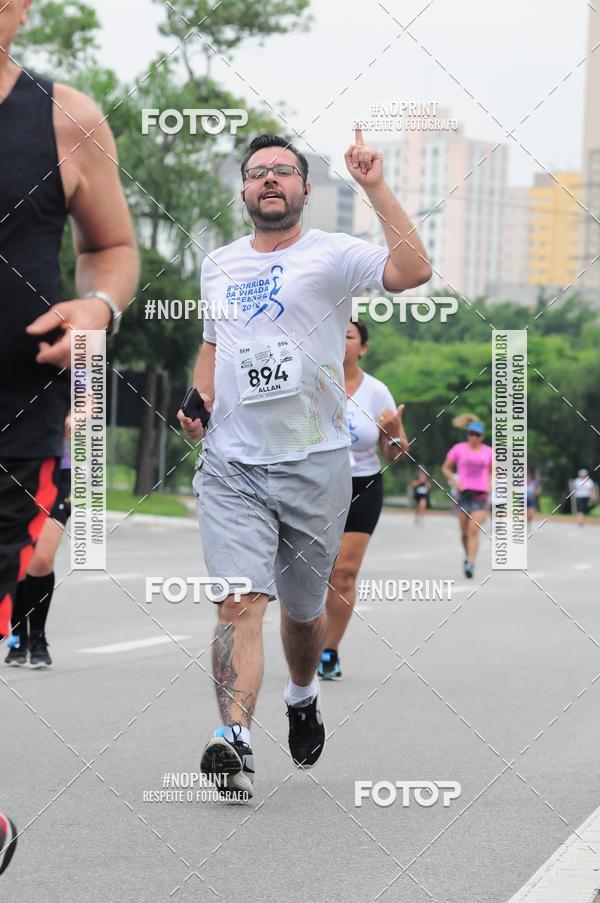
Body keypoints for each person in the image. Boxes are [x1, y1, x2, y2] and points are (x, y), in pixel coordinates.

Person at [178, 130, 431, 798]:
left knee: (301, 613)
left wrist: (374, 185)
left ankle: (302, 691)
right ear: (242, 189)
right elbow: (214, 343)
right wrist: (199, 396)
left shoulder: (334, 255)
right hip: (232, 464)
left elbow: (413, 273)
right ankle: (233, 737)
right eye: (257, 172)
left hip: (317, 464)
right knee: (239, 602)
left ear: (305, 189)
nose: (269, 180)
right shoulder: (220, 264)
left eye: (283, 172)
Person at [0, 1, 139, 652]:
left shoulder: (67, 118)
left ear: (22, 9)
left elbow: (112, 247)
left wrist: (99, 307)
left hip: (19, 418)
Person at [318, 319, 408, 681]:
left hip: (363, 485)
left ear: (363, 347)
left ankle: (328, 650)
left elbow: (395, 454)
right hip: (316, 485)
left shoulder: (377, 392)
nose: (341, 342)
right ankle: (305, 642)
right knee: (312, 574)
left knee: (344, 573)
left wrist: (396, 433)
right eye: (336, 333)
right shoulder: (312, 381)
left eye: (349, 336)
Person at [5, 417, 71, 668]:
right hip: (9, 466)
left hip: (53, 468)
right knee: (17, 557)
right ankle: (19, 636)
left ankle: (38, 637)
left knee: (41, 559)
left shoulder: (59, 375)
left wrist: (77, 416)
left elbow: (88, 395)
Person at [441, 421, 493, 578]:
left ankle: (471, 562)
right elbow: (445, 468)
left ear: (482, 436)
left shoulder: (488, 452)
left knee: (473, 530)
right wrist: (454, 480)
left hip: (480, 495)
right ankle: (467, 555)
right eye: (471, 434)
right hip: (463, 494)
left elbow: (494, 471)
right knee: (464, 533)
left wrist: (490, 483)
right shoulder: (459, 449)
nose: (474, 437)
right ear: (468, 435)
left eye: (477, 434)